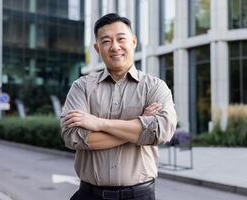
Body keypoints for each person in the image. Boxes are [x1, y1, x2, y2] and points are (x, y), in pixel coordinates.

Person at [60, 13, 177, 200]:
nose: (115, 47)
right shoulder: (82, 86)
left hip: (139, 195)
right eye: (106, 41)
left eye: (121, 39)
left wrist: (98, 123)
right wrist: (138, 128)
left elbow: (160, 131)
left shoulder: (155, 87)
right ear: (97, 49)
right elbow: (73, 136)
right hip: (89, 195)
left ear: (133, 41)